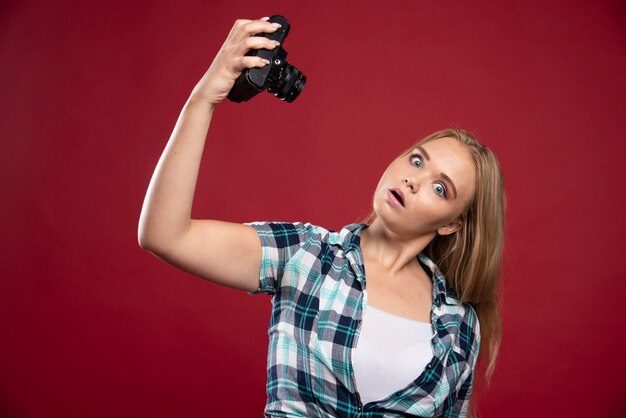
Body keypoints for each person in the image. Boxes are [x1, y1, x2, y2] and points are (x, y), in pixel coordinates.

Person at [138, 17, 505, 418]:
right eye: (417, 160)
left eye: (440, 188)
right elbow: (164, 234)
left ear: (451, 223)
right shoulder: (305, 255)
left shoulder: (459, 326)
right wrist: (203, 98)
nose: (413, 180)